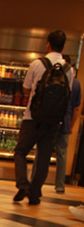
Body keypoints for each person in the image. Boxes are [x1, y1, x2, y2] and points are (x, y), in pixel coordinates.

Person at [13, 30, 74, 205]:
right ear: (63, 47)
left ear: (48, 44)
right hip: (54, 121)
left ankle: (23, 184)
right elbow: (68, 94)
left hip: (33, 117)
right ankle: (35, 195)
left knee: (20, 151)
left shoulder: (37, 64)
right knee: (44, 158)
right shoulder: (69, 69)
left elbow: (26, 89)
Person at [31, 56, 82, 193]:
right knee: (62, 155)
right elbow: (77, 108)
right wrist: (71, 126)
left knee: (42, 153)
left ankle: (34, 182)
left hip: (49, 120)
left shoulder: (50, 77)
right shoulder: (76, 83)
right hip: (64, 122)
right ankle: (60, 185)